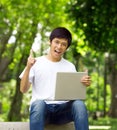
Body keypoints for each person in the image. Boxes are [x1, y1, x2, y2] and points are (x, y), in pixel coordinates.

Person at [19, 27, 91, 130]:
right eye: (56, 42)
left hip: (63, 112)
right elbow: (23, 89)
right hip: (42, 111)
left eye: (63, 44)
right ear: (50, 42)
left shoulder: (70, 66)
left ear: (66, 48)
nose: (59, 46)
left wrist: (83, 84)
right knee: (38, 104)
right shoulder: (35, 62)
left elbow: (74, 95)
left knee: (79, 104)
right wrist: (28, 68)